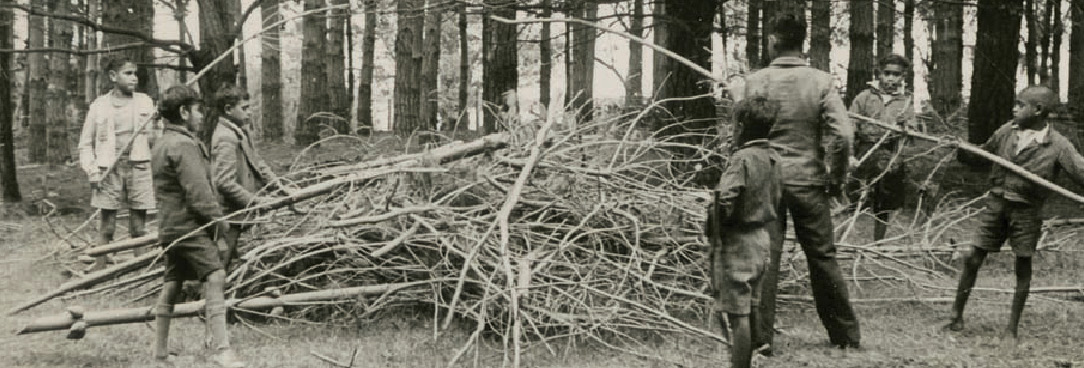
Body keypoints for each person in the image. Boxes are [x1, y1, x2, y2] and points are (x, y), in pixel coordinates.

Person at [741, 14, 861, 353]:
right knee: (823, 256)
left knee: (765, 258)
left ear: (774, 41)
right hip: (808, 179)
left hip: (766, 179)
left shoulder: (755, 81)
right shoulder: (820, 80)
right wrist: (835, 179)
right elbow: (843, 135)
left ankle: (759, 339)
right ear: (802, 42)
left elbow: (741, 136)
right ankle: (846, 336)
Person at [944, 85, 1084, 342]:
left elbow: (1081, 172)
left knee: (1022, 266)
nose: (1014, 109)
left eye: (1020, 105)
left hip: (1027, 212)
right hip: (997, 204)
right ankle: (955, 316)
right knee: (973, 257)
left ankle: (1011, 329)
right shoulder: (1007, 132)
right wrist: (962, 148)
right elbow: (982, 155)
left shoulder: (1057, 145)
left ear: (1038, 110)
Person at [151, 85, 245, 368]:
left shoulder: (161, 143)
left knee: (171, 284)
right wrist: (220, 225)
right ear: (183, 112)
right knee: (216, 276)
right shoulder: (184, 145)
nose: (202, 116)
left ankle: (159, 355)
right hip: (189, 227)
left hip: (169, 228)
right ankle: (221, 350)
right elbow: (199, 194)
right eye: (197, 110)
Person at [706, 96, 781, 368]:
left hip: (739, 241)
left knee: (738, 317)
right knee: (750, 308)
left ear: (741, 126)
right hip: (763, 239)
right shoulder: (773, 157)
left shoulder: (742, 159)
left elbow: (725, 201)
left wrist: (712, 227)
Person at [77, 56, 158, 271]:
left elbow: (155, 138)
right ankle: (100, 265)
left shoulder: (145, 102)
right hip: (108, 169)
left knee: (139, 225)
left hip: (139, 166)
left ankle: (140, 266)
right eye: (128, 73)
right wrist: (92, 171)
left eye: (135, 73)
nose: (134, 78)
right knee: (107, 225)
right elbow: (85, 145)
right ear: (113, 76)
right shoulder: (99, 106)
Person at [848, 54, 918, 241]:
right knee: (854, 195)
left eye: (896, 74)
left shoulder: (906, 102)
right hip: (865, 150)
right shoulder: (864, 97)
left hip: (890, 152)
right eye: (887, 73)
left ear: (903, 76)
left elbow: (912, 132)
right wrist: (850, 154)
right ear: (879, 74)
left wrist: (906, 127)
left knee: (884, 201)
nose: (891, 78)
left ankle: (877, 242)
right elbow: (850, 126)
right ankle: (846, 237)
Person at [209, 84, 278, 269]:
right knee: (220, 263)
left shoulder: (240, 131)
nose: (249, 112)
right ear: (228, 110)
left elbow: (258, 163)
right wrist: (255, 201)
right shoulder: (225, 138)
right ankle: (206, 295)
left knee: (232, 259)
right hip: (229, 214)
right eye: (244, 108)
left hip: (239, 212)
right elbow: (224, 182)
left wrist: (279, 186)